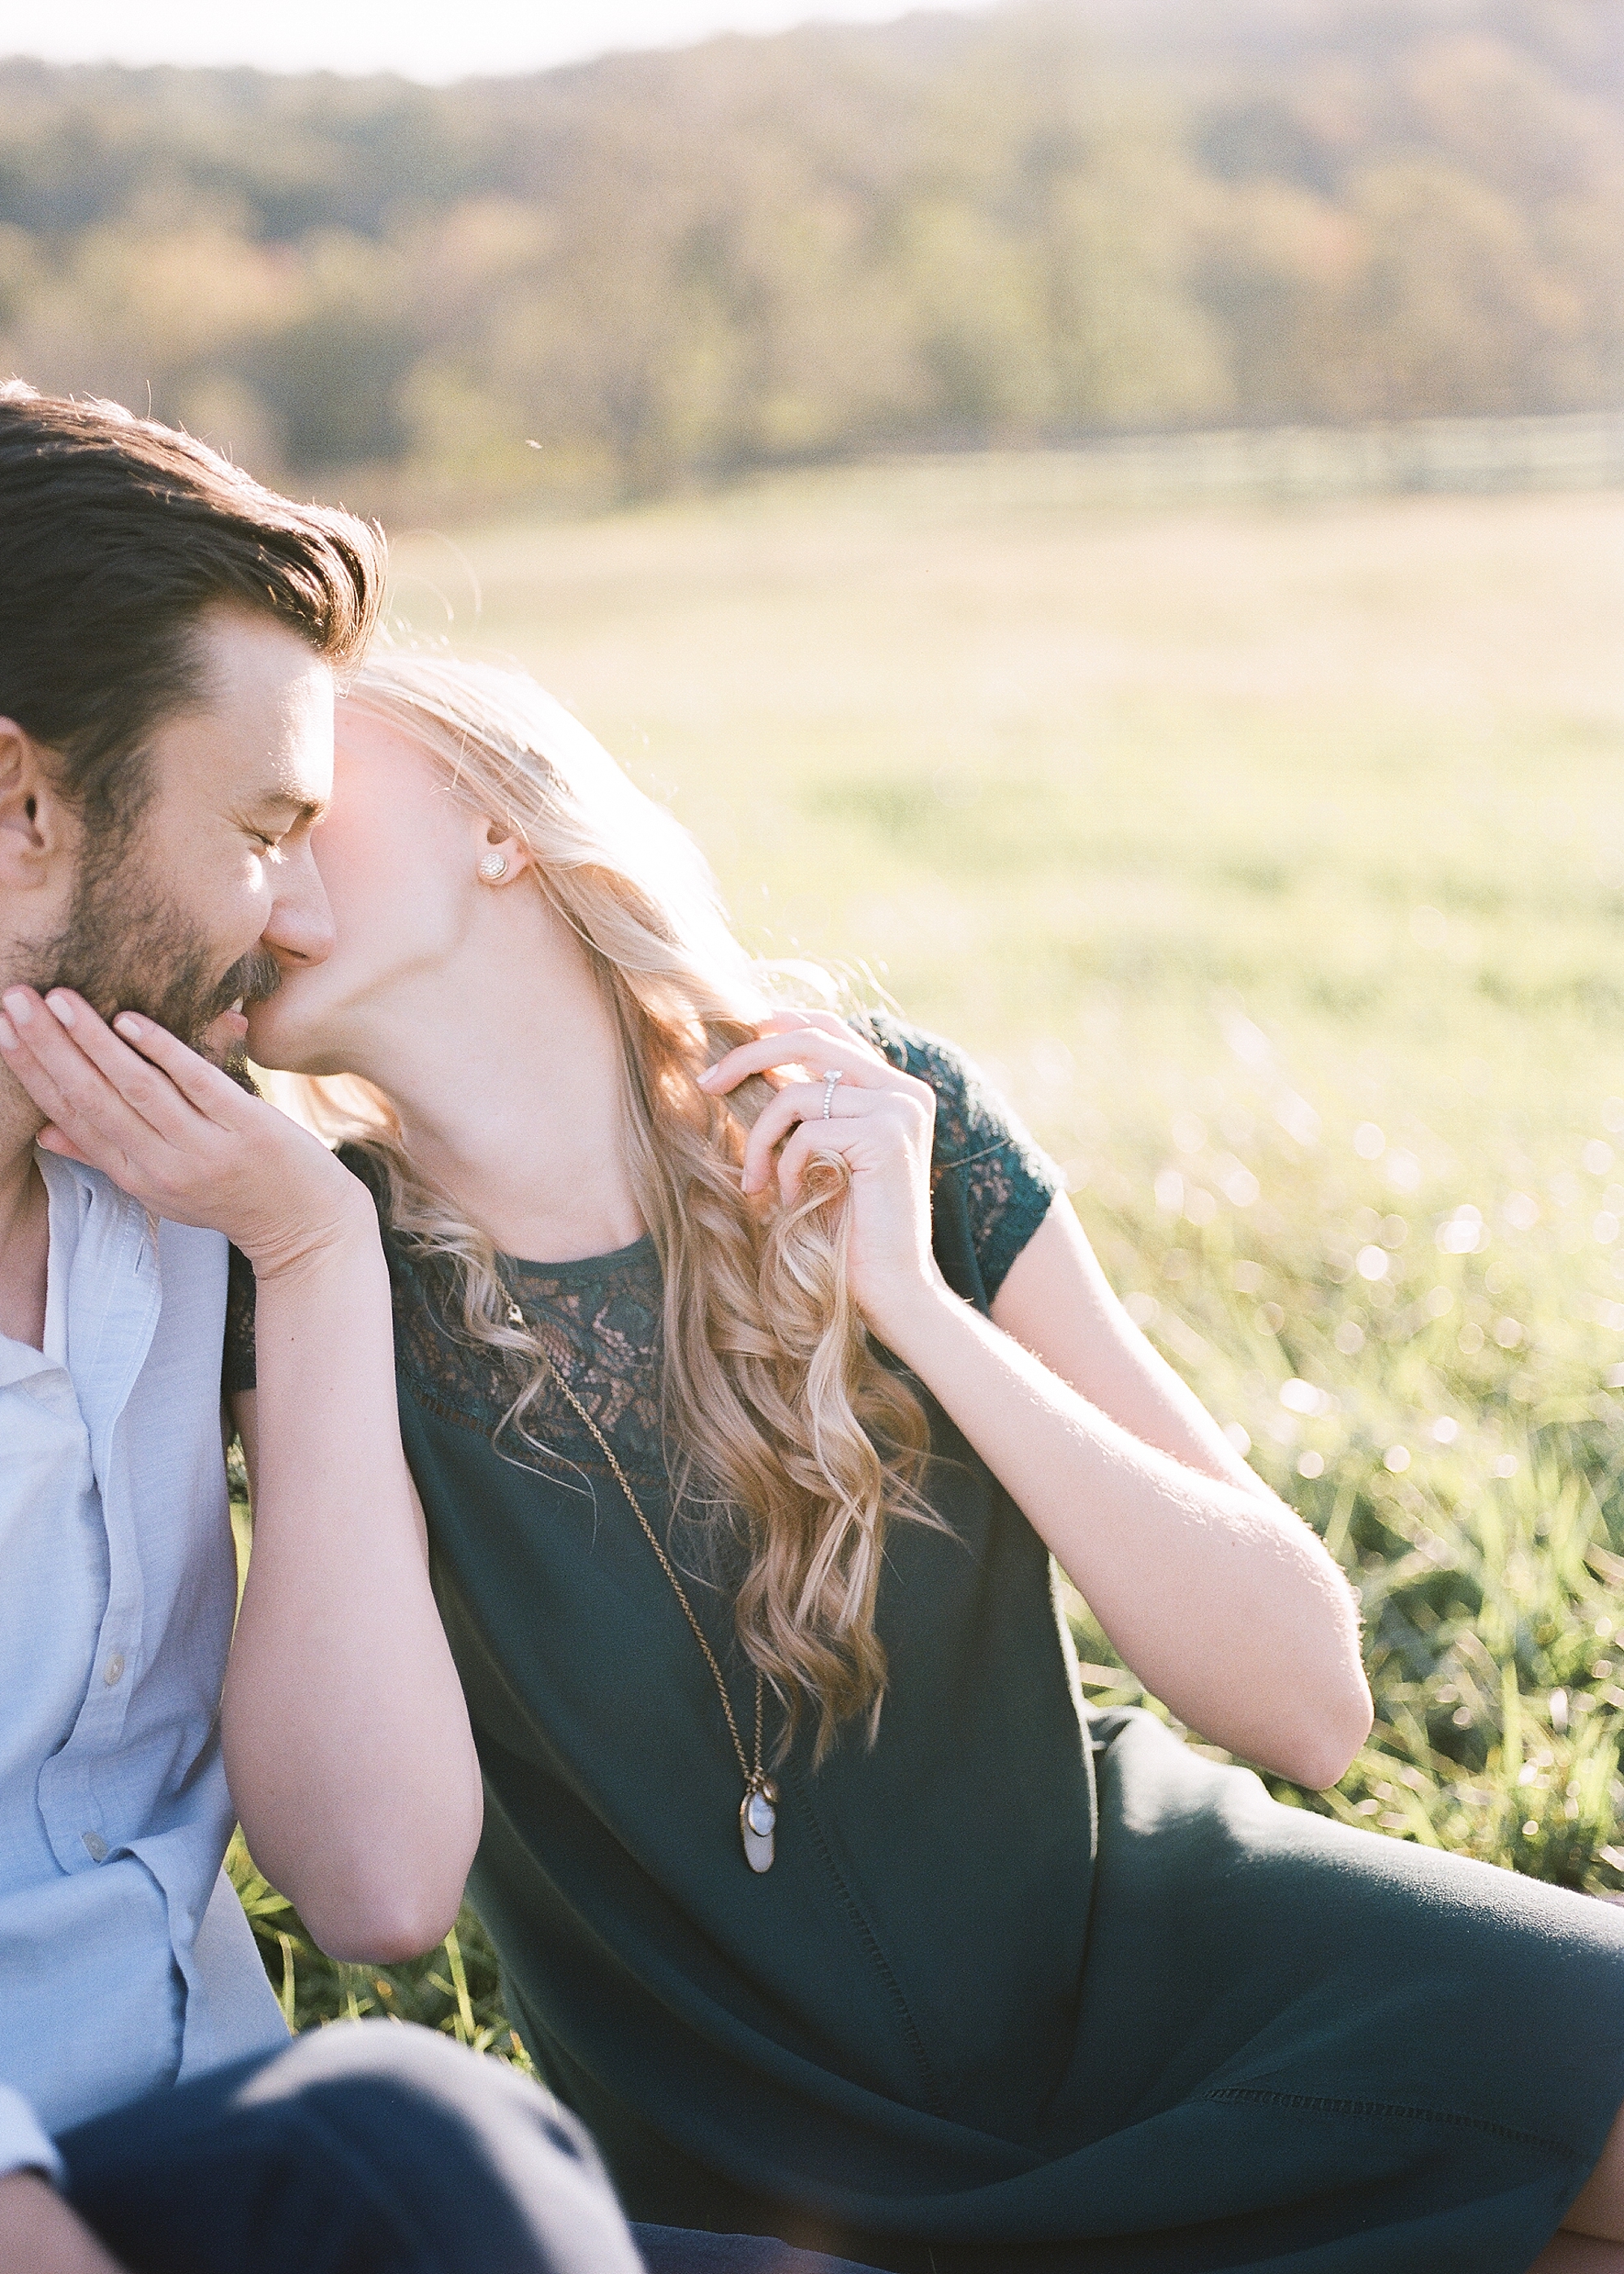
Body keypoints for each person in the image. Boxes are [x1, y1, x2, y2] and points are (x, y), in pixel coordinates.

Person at [58, 642, 1624, 2274]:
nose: (258, 847)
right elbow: (377, 1889)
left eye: (309, 792)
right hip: (762, 2152)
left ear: (493, 816)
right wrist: (314, 1268)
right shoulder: (300, 1269)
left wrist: (917, 1305)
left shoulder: (883, 1113)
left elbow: (1307, 1700)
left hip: (1151, 1953)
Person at [0, 387, 650, 2274]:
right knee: (421, 2137)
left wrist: (316, 1264)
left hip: (223, 2154)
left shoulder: (198, 1205)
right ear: (25, 809)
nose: (293, 919)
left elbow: (373, 1878)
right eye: (265, 829)